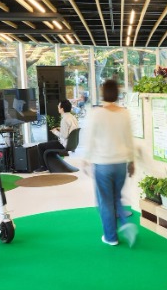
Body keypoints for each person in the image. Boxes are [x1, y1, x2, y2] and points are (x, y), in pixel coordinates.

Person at [82, 79, 137, 247]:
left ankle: (111, 237)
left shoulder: (96, 113)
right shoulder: (125, 113)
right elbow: (129, 139)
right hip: (120, 163)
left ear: (103, 93)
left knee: (105, 201)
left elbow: (90, 138)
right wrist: (131, 161)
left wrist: (86, 159)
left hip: (102, 164)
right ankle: (125, 224)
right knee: (116, 197)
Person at [34, 99, 79, 172]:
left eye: (59, 106)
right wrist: (60, 129)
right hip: (72, 144)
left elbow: (64, 136)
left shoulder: (64, 119)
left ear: (62, 109)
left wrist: (55, 131)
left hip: (64, 144)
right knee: (51, 143)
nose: (58, 107)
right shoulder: (72, 117)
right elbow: (71, 130)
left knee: (40, 146)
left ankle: (43, 167)